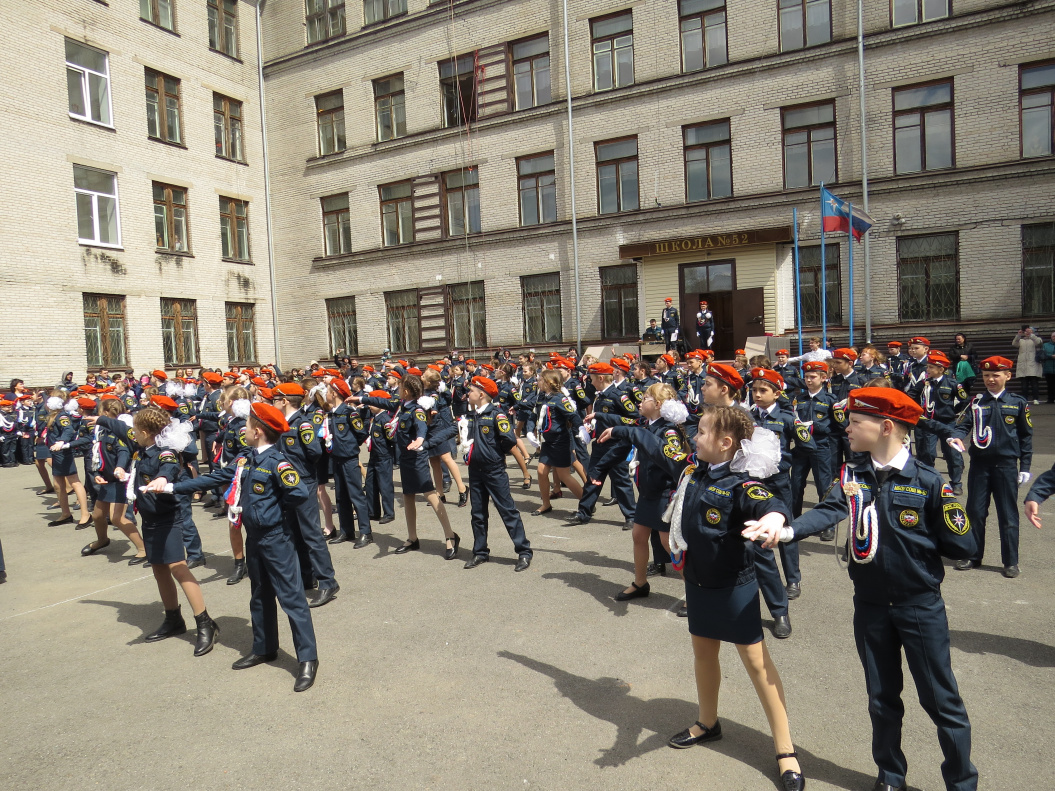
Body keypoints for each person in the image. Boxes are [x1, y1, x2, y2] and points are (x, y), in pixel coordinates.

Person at [745, 387, 977, 791]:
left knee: (942, 702)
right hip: (870, 605)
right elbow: (831, 509)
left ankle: (961, 782)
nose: (846, 429)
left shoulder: (926, 480)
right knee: (881, 698)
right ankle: (890, 775)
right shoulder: (852, 473)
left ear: (886, 427)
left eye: (854, 423)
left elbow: (963, 544)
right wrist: (786, 530)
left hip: (918, 606)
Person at [638, 405, 804, 790]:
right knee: (703, 654)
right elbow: (650, 443)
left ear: (725, 442)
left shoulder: (741, 483)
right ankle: (707, 722)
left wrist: (776, 518)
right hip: (697, 584)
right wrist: (620, 431)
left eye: (701, 432)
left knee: (758, 666)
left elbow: (770, 502)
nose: (694, 438)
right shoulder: (693, 471)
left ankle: (785, 750)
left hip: (734, 588)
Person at [150, 402, 318, 691]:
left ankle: (308, 659)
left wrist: (276, 516)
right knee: (259, 594)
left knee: (291, 600)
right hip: (254, 537)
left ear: (258, 431)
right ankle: (265, 647)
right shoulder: (246, 458)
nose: (244, 430)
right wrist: (172, 487)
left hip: (276, 538)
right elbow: (217, 477)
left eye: (248, 426)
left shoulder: (278, 462)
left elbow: (300, 495)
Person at [95, 406, 218, 657]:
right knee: (159, 568)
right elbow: (122, 429)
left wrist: (162, 478)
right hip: (150, 518)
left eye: (135, 432)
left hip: (167, 518)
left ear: (145, 432)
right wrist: (100, 418)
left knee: (177, 567)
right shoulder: (143, 446)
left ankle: (205, 622)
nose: (132, 434)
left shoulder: (165, 452)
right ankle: (173, 618)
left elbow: (169, 467)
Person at [597, 382, 689, 603]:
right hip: (648, 493)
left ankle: (695, 590)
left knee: (670, 545)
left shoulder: (668, 430)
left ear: (657, 405)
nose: (640, 401)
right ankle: (640, 582)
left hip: (664, 494)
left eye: (645, 398)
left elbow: (670, 460)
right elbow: (626, 426)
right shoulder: (649, 425)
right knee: (638, 536)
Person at [354, 375, 460, 560]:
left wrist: (420, 439)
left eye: (400, 387)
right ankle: (412, 538)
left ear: (406, 391)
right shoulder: (402, 405)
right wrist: (361, 399)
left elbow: (421, 426)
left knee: (430, 495)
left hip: (417, 457)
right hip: (405, 458)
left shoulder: (416, 409)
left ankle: (450, 535)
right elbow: (382, 401)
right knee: (408, 496)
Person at [954, 356, 1033, 578]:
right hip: (980, 465)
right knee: (975, 512)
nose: (990, 379)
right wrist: (957, 437)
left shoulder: (1017, 403)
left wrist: (1025, 466)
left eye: (996, 375)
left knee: (1008, 515)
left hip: (1006, 466)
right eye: (987, 375)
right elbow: (963, 424)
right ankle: (972, 555)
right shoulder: (977, 402)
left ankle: (1010, 561)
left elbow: (1026, 437)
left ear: (1008, 376)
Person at [272, 382, 340, 608]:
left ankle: (328, 582)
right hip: (288, 484)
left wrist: (301, 471)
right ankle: (306, 576)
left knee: (311, 533)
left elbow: (315, 452)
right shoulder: (282, 423)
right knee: (294, 531)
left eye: (275, 399)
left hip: (303, 482)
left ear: (284, 401)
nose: (272, 403)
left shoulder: (302, 424)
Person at [461, 376, 532, 571]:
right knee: (478, 514)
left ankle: (524, 551)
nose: (468, 394)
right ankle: (480, 552)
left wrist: (493, 454)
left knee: (507, 511)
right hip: (475, 471)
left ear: (481, 394)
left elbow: (509, 440)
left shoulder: (496, 415)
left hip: (494, 470)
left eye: (472, 391)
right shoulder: (472, 414)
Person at [565, 362, 637, 530]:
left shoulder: (619, 395)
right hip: (600, 444)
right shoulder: (601, 395)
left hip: (616, 445)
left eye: (591, 379)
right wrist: (590, 429)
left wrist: (601, 416)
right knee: (593, 478)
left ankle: (631, 516)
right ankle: (584, 513)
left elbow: (633, 419)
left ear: (601, 378)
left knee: (621, 481)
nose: (590, 382)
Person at [77, 397, 147, 564]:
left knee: (118, 518)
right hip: (107, 478)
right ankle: (103, 540)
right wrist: (97, 474)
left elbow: (123, 451)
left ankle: (143, 549)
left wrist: (120, 467)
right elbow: (99, 455)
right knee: (98, 515)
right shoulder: (103, 431)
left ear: (107, 413)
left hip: (120, 480)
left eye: (101, 412)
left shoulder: (118, 430)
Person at [525, 370, 583, 516]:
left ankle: (586, 503)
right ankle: (546, 504)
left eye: (540, 380)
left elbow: (573, 415)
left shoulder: (560, 399)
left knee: (564, 475)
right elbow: (533, 414)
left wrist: (581, 428)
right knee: (541, 471)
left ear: (548, 382)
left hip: (560, 441)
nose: (537, 382)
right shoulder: (541, 396)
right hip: (547, 441)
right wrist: (530, 431)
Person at [909, 352, 968, 495]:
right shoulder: (924, 383)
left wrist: (955, 412)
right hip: (930, 423)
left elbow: (964, 401)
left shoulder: (952, 384)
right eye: (927, 367)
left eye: (931, 367)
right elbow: (911, 395)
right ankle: (930, 482)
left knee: (952, 454)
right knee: (928, 453)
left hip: (948, 423)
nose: (927, 370)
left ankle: (956, 483)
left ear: (941, 369)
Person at [45, 395, 92, 528]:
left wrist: (62, 441)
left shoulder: (62, 417)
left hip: (63, 453)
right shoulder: (52, 417)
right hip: (55, 453)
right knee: (59, 484)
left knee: (75, 482)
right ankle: (65, 513)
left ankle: (85, 515)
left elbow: (68, 430)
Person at [1011, 325, 1043, 404]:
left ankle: (1035, 398)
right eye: (1026, 332)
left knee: (1034, 383)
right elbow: (1014, 344)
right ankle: (1025, 399)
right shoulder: (1021, 341)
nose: (1027, 333)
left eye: (1029, 331)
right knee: (1024, 384)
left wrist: (1031, 335)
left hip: (1033, 364)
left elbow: (1038, 343)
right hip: (1023, 365)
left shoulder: (1036, 339)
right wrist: (1018, 335)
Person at [1042, 331, 1055, 403]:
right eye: (1053, 336)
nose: (1054, 338)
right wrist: (1051, 356)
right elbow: (1043, 355)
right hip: (1048, 368)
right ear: (1051, 337)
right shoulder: (1045, 345)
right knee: (1050, 385)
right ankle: (1050, 399)